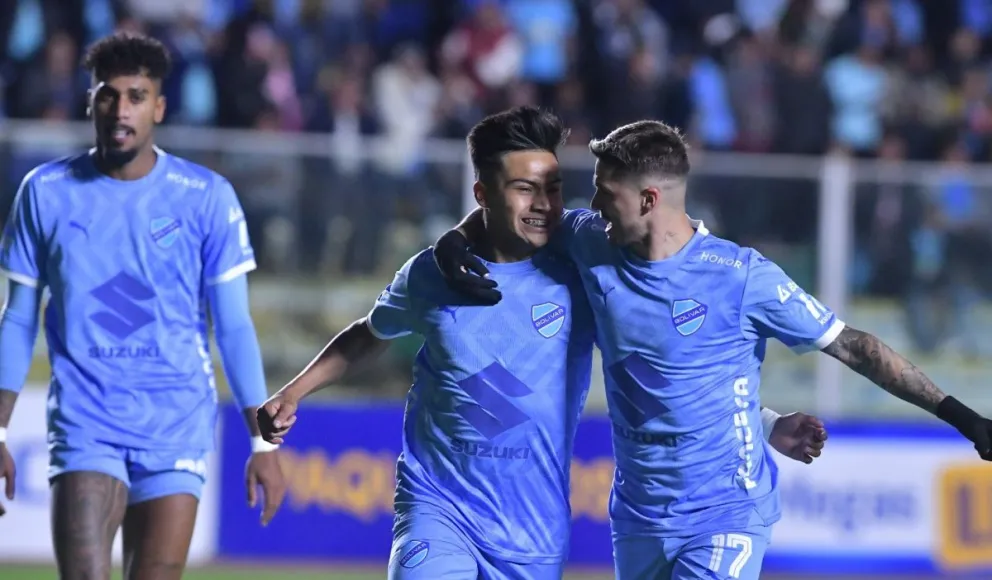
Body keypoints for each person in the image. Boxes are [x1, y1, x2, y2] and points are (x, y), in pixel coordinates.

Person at [257, 107, 827, 579]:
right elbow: (371, 333)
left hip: (531, 532)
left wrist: (764, 421)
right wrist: (295, 391)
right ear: (482, 193)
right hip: (437, 505)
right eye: (524, 189)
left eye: (553, 189)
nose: (544, 205)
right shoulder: (433, 273)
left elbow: (666, 370)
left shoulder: (584, 266)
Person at [433, 119, 992, 580]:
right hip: (639, 516)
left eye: (606, 191)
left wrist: (964, 418)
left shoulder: (740, 277)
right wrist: (455, 239)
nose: (594, 202)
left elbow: (857, 348)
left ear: (648, 199)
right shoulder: (589, 240)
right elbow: (518, 215)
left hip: (725, 513)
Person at [0, 32, 285, 580]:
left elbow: (233, 328)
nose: (121, 109)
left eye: (136, 96)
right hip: (86, 422)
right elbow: (17, 317)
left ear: (159, 107)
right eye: (108, 95)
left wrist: (262, 442)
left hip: (176, 422)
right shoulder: (46, 191)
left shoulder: (206, 197)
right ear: (90, 102)